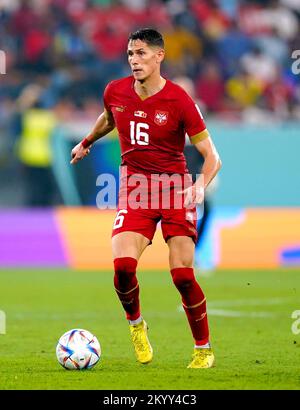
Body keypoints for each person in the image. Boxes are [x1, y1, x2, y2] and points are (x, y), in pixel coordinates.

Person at [70, 28, 221, 368]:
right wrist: (87, 141)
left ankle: (203, 348)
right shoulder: (116, 91)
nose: (134, 60)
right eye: (130, 54)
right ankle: (137, 326)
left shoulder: (180, 100)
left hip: (174, 190)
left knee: (183, 276)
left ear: (159, 56)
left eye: (140, 53)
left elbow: (212, 156)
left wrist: (199, 186)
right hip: (135, 190)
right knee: (123, 268)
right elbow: (109, 117)